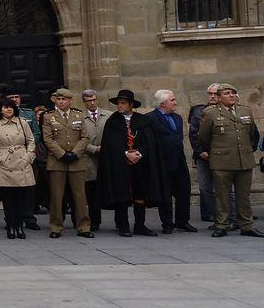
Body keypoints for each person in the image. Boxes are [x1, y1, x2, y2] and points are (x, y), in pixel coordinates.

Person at [197, 83, 264, 238]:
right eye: (227, 93)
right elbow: (203, 136)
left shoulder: (245, 110)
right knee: (222, 195)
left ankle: (246, 226)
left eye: (233, 93)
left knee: (244, 196)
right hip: (222, 161)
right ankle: (222, 225)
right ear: (220, 97)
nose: (231, 95)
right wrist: (218, 150)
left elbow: (251, 133)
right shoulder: (210, 113)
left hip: (244, 159)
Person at [99, 89, 162, 237]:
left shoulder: (143, 121)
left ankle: (140, 225)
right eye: (118, 103)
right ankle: (123, 225)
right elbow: (110, 143)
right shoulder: (112, 122)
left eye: (123, 103)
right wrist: (126, 153)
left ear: (131, 104)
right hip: (120, 164)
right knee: (121, 193)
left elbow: (150, 142)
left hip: (140, 164)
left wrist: (139, 153)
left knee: (140, 193)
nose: (119, 106)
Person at [42, 89, 93, 239]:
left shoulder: (78, 115)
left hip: (76, 161)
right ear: (55, 101)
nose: (62, 102)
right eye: (59, 99)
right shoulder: (48, 117)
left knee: (80, 196)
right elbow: (48, 139)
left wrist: (75, 153)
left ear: (70, 101)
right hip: (57, 161)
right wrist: (62, 154)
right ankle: (56, 226)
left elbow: (84, 137)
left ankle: (83, 226)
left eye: (64, 99)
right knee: (57, 196)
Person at [147, 89, 197, 234]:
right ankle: (167, 223)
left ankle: (182, 221)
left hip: (179, 161)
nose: (175, 102)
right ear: (162, 103)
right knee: (166, 193)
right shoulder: (150, 118)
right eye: (172, 100)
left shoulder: (177, 118)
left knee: (183, 191)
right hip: (162, 162)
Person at [0, 98, 37, 239]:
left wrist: (29, 157)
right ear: (0, 109)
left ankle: (19, 226)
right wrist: (0, 158)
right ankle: (10, 225)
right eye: (5, 107)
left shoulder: (22, 122)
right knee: (8, 199)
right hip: (5, 163)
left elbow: (31, 141)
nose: (8, 109)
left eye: (11, 107)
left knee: (21, 198)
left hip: (22, 162)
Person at [7, 92, 42, 230]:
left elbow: (36, 133)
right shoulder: (3, 115)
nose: (15, 100)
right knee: (10, 190)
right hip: (9, 158)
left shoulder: (28, 114)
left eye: (17, 97)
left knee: (28, 189)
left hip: (26, 157)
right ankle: (12, 219)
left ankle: (29, 218)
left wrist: (27, 150)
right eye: (11, 98)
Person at [189, 84, 221, 224]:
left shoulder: (227, 110)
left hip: (222, 155)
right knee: (205, 186)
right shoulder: (199, 111)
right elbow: (193, 133)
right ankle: (208, 214)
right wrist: (200, 151)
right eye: (210, 94)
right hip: (203, 155)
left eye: (215, 93)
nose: (212, 96)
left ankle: (226, 213)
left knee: (224, 187)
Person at [81, 90, 110, 232]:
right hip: (89, 160)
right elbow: (78, 140)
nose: (92, 103)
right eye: (88, 101)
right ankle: (94, 221)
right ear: (84, 102)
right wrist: (93, 148)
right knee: (91, 193)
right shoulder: (80, 117)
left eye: (94, 99)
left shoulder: (108, 115)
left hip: (106, 159)